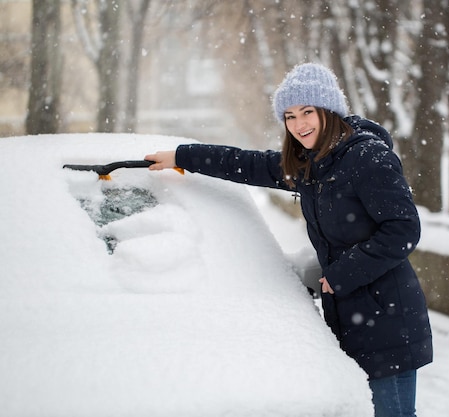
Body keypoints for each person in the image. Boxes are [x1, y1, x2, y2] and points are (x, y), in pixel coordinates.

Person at [145, 63, 433, 417]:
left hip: (387, 317)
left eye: (308, 112)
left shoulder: (366, 158)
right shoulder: (312, 166)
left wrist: (342, 274)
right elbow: (246, 164)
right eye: (290, 116)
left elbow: (403, 229)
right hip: (349, 317)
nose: (299, 125)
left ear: (329, 110)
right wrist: (181, 156)